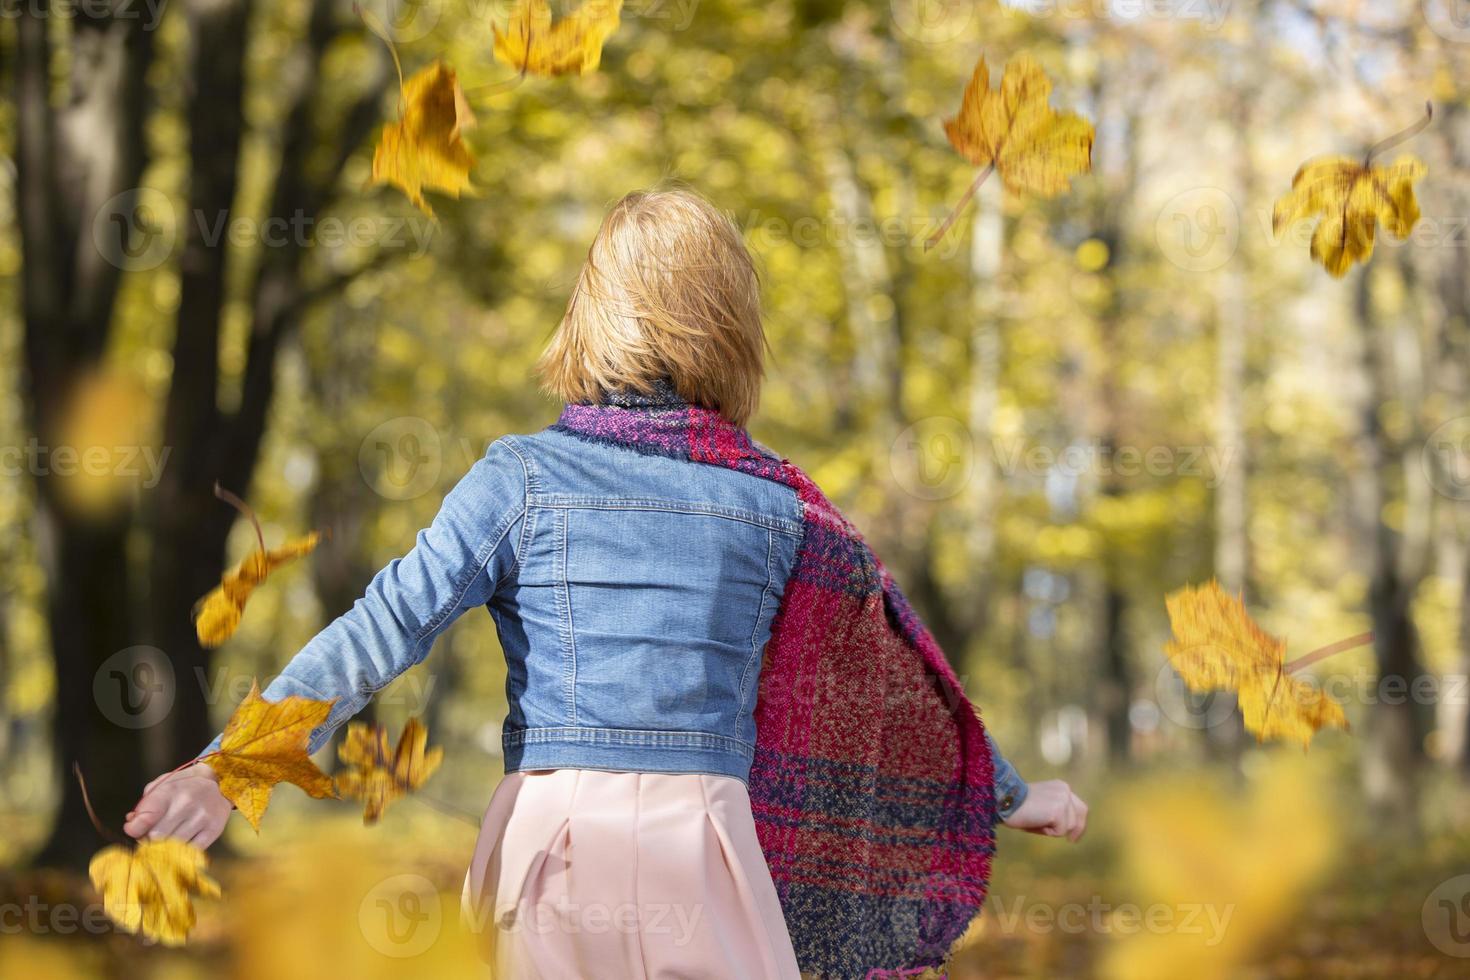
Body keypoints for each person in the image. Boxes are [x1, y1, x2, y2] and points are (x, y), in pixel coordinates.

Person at [125, 187, 1087, 977]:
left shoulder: (520, 478)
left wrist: (234, 764)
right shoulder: (777, 508)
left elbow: (383, 628)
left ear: (592, 312)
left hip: (556, 842)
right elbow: (883, 687)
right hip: (705, 847)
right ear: (731, 326)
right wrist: (1007, 791)